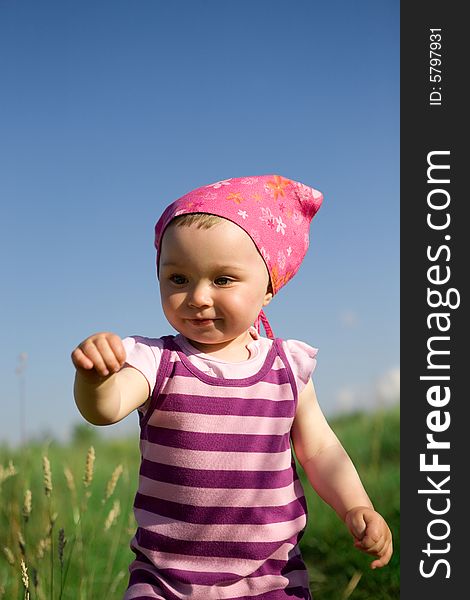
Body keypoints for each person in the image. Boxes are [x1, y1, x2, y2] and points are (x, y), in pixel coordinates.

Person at [72, 174, 392, 599]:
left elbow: (320, 450)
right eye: (178, 279)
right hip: (166, 581)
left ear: (268, 288)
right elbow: (105, 408)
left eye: (222, 280)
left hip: (270, 579)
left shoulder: (288, 367)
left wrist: (357, 505)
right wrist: (95, 378)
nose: (198, 296)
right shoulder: (156, 360)